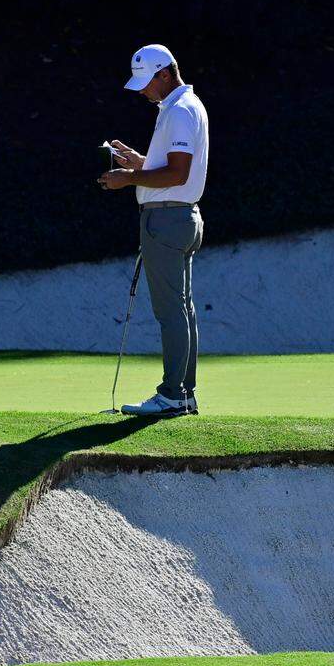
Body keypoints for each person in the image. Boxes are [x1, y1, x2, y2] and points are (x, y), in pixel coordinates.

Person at [98, 43, 209, 417]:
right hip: (180, 217)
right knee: (182, 309)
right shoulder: (181, 107)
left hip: (167, 220)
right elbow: (174, 168)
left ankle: (173, 394)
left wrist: (128, 178)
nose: (142, 91)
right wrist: (140, 163)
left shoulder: (179, 111)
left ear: (165, 73)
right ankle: (184, 394)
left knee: (171, 312)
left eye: (146, 82)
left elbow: (177, 174)